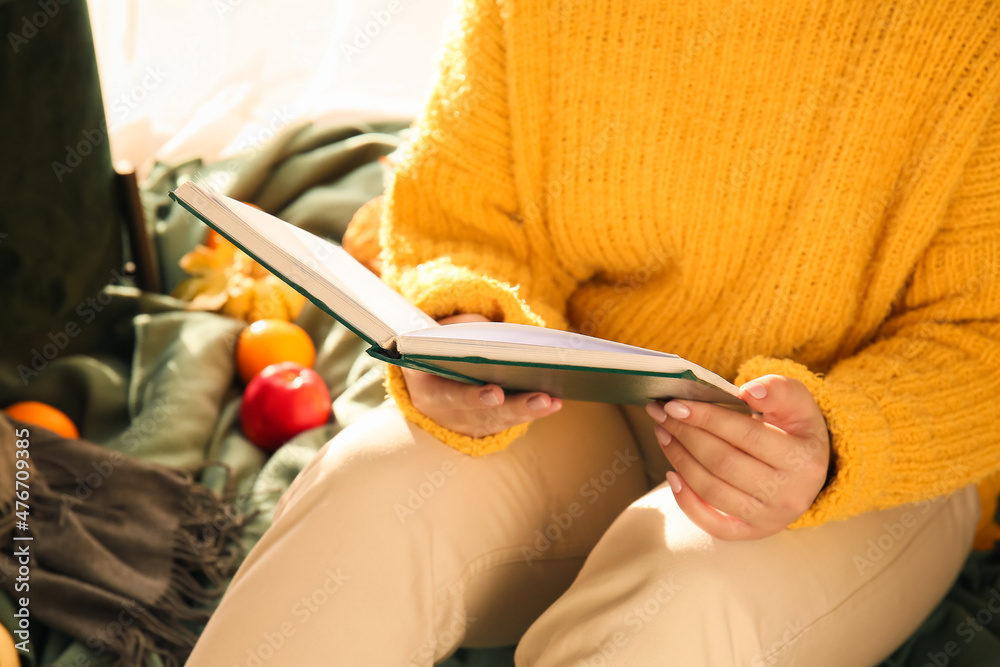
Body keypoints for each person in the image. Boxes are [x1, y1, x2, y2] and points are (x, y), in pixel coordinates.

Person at [186, 0, 1000, 664]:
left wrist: (839, 441)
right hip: (594, 396)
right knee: (369, 490)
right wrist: (466, 327)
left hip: (865, 464)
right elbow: (464, 217)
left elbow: (981, 333)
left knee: (681, 610)